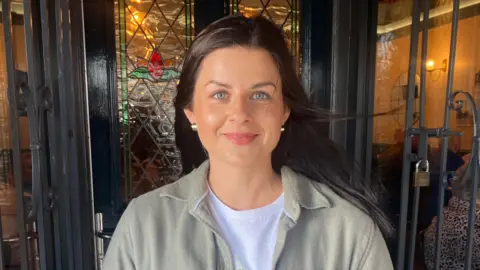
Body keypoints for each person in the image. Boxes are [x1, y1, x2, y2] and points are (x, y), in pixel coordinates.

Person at [103, 15, 393, 270]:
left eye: (260, 95)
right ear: (191, 111)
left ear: (284, 110)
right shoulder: (144, 225)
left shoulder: (349, 232)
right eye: (219, 94)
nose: (240, 114)